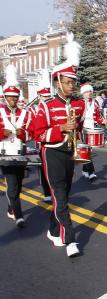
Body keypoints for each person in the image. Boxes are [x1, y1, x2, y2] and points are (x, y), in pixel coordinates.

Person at [34, 33, 85, 257]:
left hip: (69, 154)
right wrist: (60, 129)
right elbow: (37, 135)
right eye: (67, 82)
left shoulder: (79, 104)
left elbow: (80, 128)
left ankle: (53, 229)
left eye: (73, 81)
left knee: (63, 194)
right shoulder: (45, 106)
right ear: (58, 83)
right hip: (52, 153)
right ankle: (69, 238)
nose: (72, 85)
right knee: (60, 195)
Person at [0, 65, 32, 228]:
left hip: (20, 154)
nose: (12, 100)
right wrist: (2, 133)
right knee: (12, 185)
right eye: (9, 97)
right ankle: (19, 216)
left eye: (14, 97)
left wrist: (22, 133)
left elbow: (31, 134)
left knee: (18, 186)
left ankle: (10, 207)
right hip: (5, 155)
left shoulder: (24, 113)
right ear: (5, 97)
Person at [29, 70, 53, 203]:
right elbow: (31, 129)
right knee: (43, 168)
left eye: (48, 96)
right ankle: (47, 192)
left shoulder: (52, 108)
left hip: (53, 142)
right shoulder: (33, 110)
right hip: (40, 143)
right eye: (44, 97)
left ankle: (53, 190)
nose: (47, 98)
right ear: (39, 97)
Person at [80, 83, 103, 181]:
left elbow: (98, 117)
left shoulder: (95, 103)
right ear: (83, 93)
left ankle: (85, 170)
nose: (88, 94)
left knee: (88, 151)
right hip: (82, 130)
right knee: (86, 151)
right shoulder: (79, 103)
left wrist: (102, 121)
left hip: (92, 129)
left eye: (90, 91)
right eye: (86, 92)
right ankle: (91, 173)